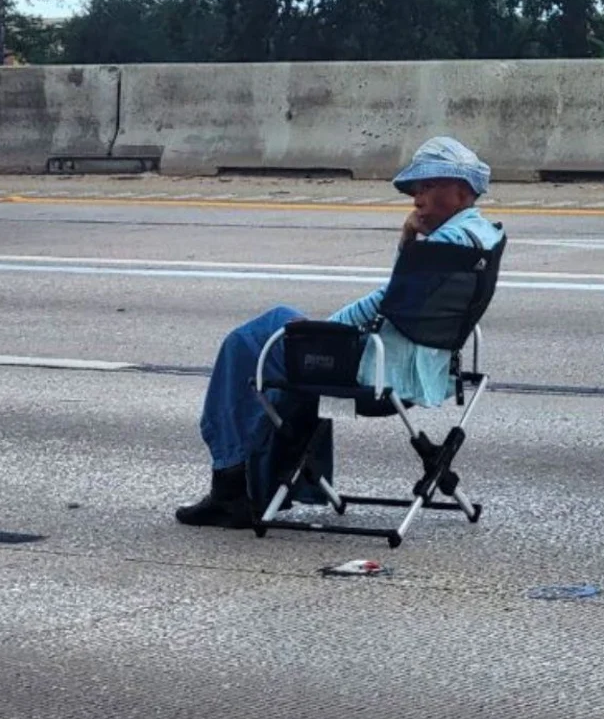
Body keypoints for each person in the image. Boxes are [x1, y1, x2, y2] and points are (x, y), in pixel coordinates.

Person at [175, 136, 504, 529]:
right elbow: (409, 301)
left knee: (251, 343)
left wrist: (327, 329)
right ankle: (275, 483)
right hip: (428, 363)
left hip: (382, 369)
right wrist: (408, 243)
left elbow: (388, 302)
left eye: (428, 187)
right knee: (277, 340)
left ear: (463, 190)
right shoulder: (483, 237)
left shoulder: (444, 246)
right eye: (416, 189)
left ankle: (231, 485)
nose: (417, 199)